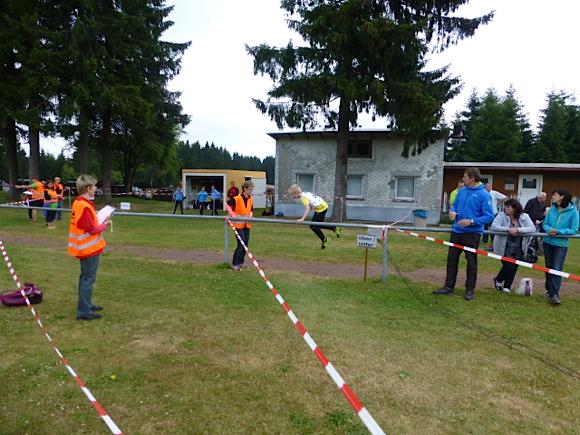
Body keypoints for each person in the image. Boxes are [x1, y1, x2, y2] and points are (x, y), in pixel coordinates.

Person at [433, 167, 494, 301]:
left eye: (465, 177)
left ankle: (469, 289)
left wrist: (472, 221)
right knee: (451, 260)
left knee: (471, 262)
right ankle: (448, 287)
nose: (463, 179)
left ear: (472, 178)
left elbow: (489, 216)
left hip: (472, 234)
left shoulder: (484, 194)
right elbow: (454, 205)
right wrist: (452, 213)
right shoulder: (462, 191)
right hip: (456, 231)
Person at [67, 175, 112, 321]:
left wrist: (99, 219)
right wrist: (105, 225)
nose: (95, 188)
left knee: (85, 278)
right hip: (88, 249)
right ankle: (84, 312)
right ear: (88, 188)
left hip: (85, 248)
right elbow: (90, 229)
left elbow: (87, 223)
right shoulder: (84, 205)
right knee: (87, 279)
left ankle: (86, 305)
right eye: (94, 186)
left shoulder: (81, 203)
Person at [542, 189, 579, 305]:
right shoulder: (552, 209)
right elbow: (545, 224)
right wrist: (549, 230)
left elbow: (574, 229)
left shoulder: (573, 212)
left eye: (555, 195)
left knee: (556, 268)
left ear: (562, 197)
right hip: (547, 242)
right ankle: (550, 290)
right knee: (548, 267)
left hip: (560, 245)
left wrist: (559, 231)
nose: (552, 197)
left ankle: (554, 294)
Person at [491, 198, 535, 293]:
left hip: (519, 246)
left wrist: (518, 230)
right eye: (505, 206)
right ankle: (498, 280)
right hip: (504, 246)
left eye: (508, 206)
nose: (505, 208)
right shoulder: (501, 215)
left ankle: (507, 286)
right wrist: (508, 229)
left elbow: (532, 228)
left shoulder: (524, 216)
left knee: (514, 266)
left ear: (515, 208)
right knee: (509, 266)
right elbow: (494, 226)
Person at [288, 184, 341, 249]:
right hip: (322, 206)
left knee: (313, 226)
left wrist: (302, 218)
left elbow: (307, 208)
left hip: (321, 208)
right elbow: (311, 199)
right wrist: (311, 207)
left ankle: (325, 239)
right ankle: (334, 229)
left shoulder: (302, 198)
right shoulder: (304, 193)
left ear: (296, 193)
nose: (292, 196)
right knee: (317, 225)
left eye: (292, 195)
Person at [228, 180, 254, 271]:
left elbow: (250, 209)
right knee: (241, 243)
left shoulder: (251, 198)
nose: (251, 191)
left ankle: (241, 263)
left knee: (245, 244)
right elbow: (228, 204)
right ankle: (235, 263)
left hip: (247, 225)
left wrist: (250, 215)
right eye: (250, 189)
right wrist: (232, 215)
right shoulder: (237, 198)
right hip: (238, 225)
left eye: (252, 189)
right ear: (245, 189)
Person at [482, 183, 507, 249]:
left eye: (488, 187)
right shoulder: (483, 193)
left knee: (493, 228)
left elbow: (504, 197)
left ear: (491, 187)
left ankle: (493, 241)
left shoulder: (494, 193)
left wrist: (497, 203)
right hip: (485, 213)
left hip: (493, 213)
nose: (487, 188)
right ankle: (484, 240)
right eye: (486, 187)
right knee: (485, 227)